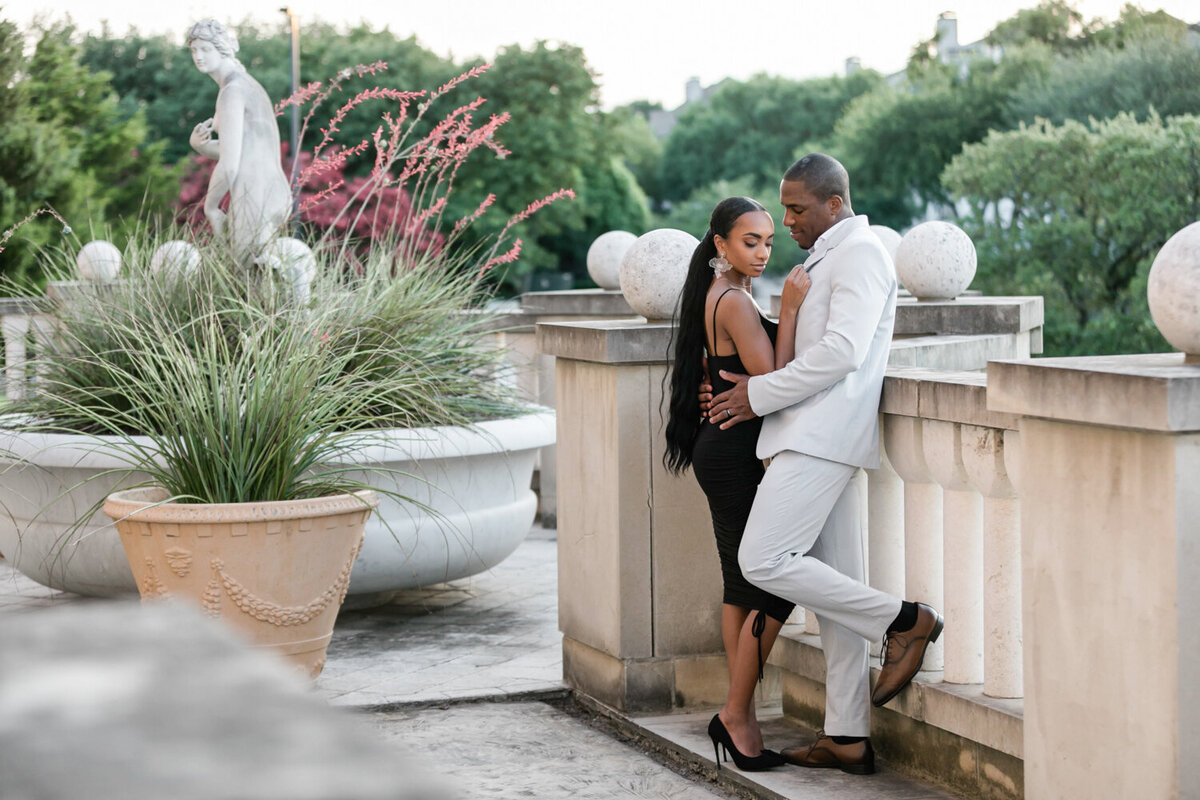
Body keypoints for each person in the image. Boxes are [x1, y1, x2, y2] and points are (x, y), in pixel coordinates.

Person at [705, 154, 942, 776]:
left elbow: (842, 351)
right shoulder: (825, 256)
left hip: (822, 435)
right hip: (807, 432)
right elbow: (810, 341)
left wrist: (756, 395)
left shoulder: (861, 253)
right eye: (783, 208)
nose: (786, 221)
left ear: (835, 202)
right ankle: (847, 736)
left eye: (797, 209)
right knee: (835, 600)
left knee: (762, 560)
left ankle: (906, 621)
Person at [664, 196, 811, 772]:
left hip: (721, 448)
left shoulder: (718, 295)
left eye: (768, 241)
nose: (762, 251)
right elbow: (776, 378)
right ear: (720, 244)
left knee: (741, 581)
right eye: (749, 241)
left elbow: (725, 369)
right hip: (731, 454)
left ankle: (739, 715)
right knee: (770, 582)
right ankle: (735, 712)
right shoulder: (735, 302)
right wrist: (792, 310)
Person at [187, 19, 291, 261]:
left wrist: (211, 207)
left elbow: (231, 164)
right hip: (268, 190)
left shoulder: (232, 91)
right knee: (255, 277)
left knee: (248, 282)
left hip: (255, 195)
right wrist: (201, 146)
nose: (198, 56)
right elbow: (242, 151)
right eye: (194, 50)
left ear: (222, 48)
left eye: (205, 49)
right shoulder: (242, 85)